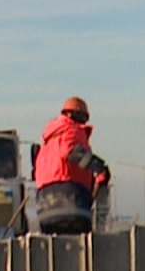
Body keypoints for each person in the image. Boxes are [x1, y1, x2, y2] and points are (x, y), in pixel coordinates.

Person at [32, 96, 109, 234]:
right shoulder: (72, 129)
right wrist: (99, 167)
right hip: (71, 202)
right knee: (80, 249)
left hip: (44, 208)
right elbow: (70, 150)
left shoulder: (47, 144)